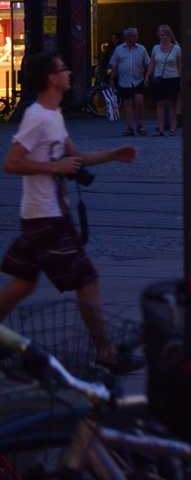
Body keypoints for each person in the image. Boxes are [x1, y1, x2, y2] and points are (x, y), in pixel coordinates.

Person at [0, 50, 139, 370]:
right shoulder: (37, 116)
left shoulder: (53, 115)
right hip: (46, 217)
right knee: (87, 280)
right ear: (52, 78)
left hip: (43, 215)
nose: (68, 73)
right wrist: (55, 166)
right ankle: (106, 354)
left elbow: (74, 157)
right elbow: (11, 163)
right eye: (63, 69)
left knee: (24, 284)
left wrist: (112, 154)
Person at [108, 27, 150, 137]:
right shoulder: (119, 49)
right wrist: (111, 80)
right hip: (124, 80)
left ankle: (140, 125)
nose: (136, 37)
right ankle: (130, 127)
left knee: (139, 101)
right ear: (127, 37)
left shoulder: (141, 49)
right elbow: (114, 65)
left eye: (137, 35)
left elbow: (147, 64)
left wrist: (148, 77)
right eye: (133, 35)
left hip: (138, 79)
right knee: (127, 103)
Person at [146, 24, 181, 137]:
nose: (160, 37)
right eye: (159, 35)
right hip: (159, 78)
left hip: (173, 77)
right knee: (159, 104)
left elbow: (179, 65)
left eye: (162, 35)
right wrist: (147, 76)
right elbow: (152, 63)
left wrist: (181, 79)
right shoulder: (155, 48)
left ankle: (171, 128)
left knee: (172, 103)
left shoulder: (176, 49)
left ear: (168, 35)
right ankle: (160, 128)